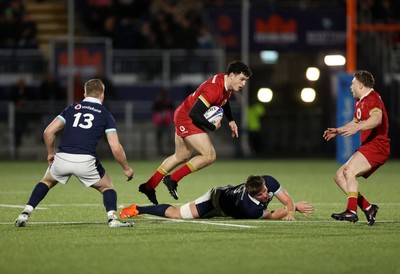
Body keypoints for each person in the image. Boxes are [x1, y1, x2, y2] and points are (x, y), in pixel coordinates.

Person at [14, 79, 135, 228]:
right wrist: (126, 168)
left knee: (46, 181)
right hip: (86, 161)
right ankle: (112, 219)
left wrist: (51, 153)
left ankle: (25, 213)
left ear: (85, 93)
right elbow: (116, 148)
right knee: (108, 187)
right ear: (102, 94)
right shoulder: (105, 114)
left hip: (62, 157)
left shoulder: (72, 108)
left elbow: (48, 132)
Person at [138, 60, 252, 205]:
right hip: (187, 117)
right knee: (209, 155)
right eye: (242, 79)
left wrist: (231, 120)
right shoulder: (214, 88)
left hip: (185, 113)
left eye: (245, 80)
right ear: (231, 75)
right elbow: (195, 114)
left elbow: (224, 100)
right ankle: (172, 179)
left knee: (181, 156)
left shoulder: (226, 84)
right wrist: (212, 127)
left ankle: (148, 186)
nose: (243, 83)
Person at [323, 70, 390, 226]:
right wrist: (338, 130)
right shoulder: (360, 101)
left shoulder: (373, 98)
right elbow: (355, 123)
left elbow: (377, 119)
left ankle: (351, 211)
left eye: (353, 84)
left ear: (360, 85)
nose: (351, 87)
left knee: (349, 172)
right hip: (369, 146)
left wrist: (359, 127)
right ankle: (368, 207)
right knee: (339, 177)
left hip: (378, 146)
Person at [120, 175, 314, 220]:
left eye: (265, 190)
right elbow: (272, 214)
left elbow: (286, 200)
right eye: (261, 194)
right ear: (251, 194)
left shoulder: (268, 181)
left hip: (228, 202)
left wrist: (291, 208)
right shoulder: (250, 208)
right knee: (177, 214)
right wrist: (290, 211)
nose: (266, 194)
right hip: (215, 198)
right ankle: (138, 208)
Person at [152, 88, 175, 156]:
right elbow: (154, 109)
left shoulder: (168, 101)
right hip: (159, 123)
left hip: (167, 122)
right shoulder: (157, 101)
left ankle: (170, 152)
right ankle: (160, 153)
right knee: (159, 138)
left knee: (170, 138)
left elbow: (172, 108)